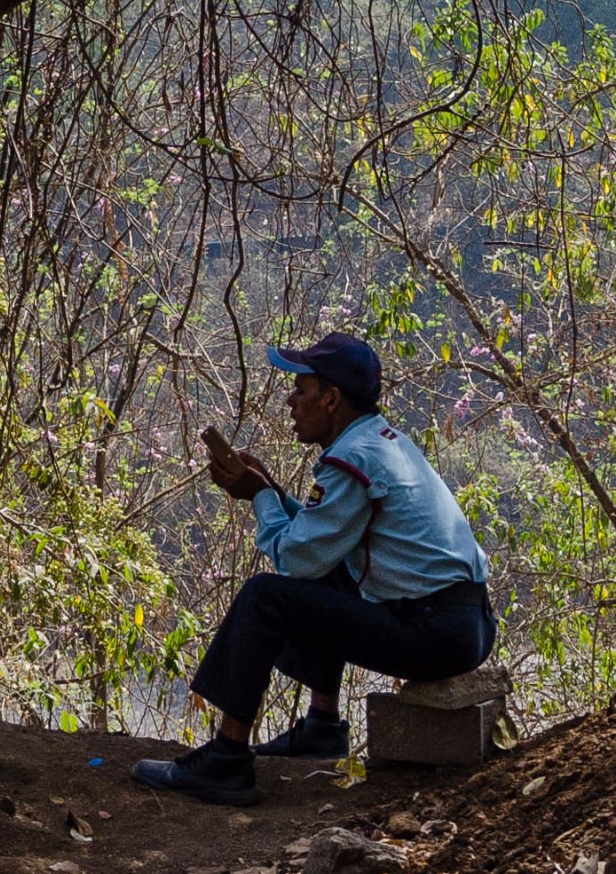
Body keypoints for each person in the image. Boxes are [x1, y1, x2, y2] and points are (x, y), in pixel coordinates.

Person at [132, 332, 496, 806]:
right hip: (465, 624)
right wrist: (270, 489)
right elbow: (323, 538)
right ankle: (322, 729)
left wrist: (259, 497)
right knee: (330, 573)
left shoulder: (351, 459)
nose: (290, 399)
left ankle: (226, 759)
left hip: (434, 634)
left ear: (331, 399)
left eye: (300, 390)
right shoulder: (382, 442)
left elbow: (296, 557)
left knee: (267, 595)